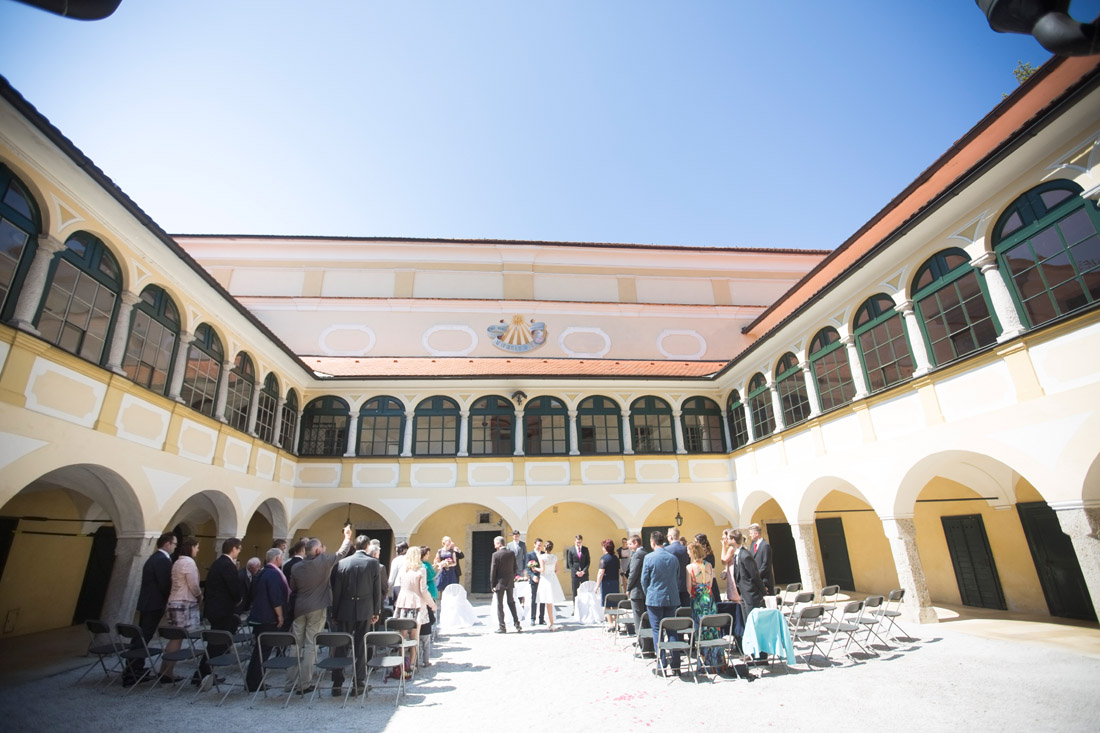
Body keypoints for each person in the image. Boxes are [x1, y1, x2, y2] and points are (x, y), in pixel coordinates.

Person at [285, 526, 353, 695]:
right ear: (316, 550)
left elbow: (293, 587)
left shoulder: (296, 567)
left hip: (299, 608)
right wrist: (346, 537)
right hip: (317, 607)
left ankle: (289, 682)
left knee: (295, 645)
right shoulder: (323, 561)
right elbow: (342, 553)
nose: (324, 549)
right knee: (310, 645)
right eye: (321, 547)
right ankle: (304, 683)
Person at [330, 535, 383, 697]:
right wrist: (376, 611)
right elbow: (376, 590)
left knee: (341, 645)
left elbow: (336, 591)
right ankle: (358, 683)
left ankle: (337, 683)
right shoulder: (373, 563)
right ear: (367, 546)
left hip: (345, 608)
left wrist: (335, 612)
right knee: (360, 645)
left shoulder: (343, 563)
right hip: (364, 609)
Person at [123, 532, 174, 685]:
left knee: (141, 635)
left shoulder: (155, 558)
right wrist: (168, 600)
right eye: (175, 544)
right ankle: (134, 670)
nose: (175, 547)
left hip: (148, 602)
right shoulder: (162, 560)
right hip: (154, 603)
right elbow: (164, 583)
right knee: (144, 636)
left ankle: (134, 667)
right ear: (167, 544)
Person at [201, 537, 242, 691]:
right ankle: (204, 673)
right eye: (239, 548)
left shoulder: (218, 563)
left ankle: (204, 672)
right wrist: (238, 599)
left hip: (214, 608)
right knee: (217, 642)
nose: (239, 551)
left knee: (215, 641)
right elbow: (233, 586)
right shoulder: (227, 565)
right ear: (233, 549)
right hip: (222, 609)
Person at [245, 547, 289, 692]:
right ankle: (255, 682)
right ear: (277, 558)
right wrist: (280, 616)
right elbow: (275, 597)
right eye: (281, 557)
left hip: (258, 616)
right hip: (267, 617)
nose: (282, 560)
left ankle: (251, 680)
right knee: (263, 651)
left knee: (258, 650)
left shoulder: (261, 573)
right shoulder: (273, 575)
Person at [159, 537, 202, 683]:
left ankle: (164, 670)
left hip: (174, 601)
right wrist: (200, 596)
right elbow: (193, 584)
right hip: (183, 602)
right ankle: (168, 672)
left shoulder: (177, 561)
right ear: (191, 548)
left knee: (174, 637)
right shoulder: (188, 562)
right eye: (196, 547)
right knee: (177, 638)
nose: (198, 550)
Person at [641, 530, 682, 676]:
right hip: (671, 597)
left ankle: (662, 664)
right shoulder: (673, 558)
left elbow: (644, 580)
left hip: (654, 598)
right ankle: (676, 665)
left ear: (652, 542)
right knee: (672, 630)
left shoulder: (649, 558)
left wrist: (649, 594)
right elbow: (677, 577)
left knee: (657, 630)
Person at [393, 546, 437, 674]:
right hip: (416, 604)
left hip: (403, 603)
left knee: (402, 635)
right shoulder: (421, 570)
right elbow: (423, 590)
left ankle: (401, 664)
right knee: (414, 637)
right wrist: (431, 604)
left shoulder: (403, 570)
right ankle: (411, 664)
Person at [686, 541, 721, 670]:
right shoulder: (709, 565)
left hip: (697, 600)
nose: (687, 553)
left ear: (693, 552)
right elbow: (710, 584)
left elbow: (689, 588)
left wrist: (695, 594)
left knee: (700, 629)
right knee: (712, 628)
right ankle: (716, 661)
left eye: (689, 551)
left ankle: (704, 661)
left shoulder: (689, 568)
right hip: (709, 599)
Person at [489, 536, 522, 633]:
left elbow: (493, 571)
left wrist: (492, 585)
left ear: (499, 544)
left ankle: (502, 626)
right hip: (510, 581)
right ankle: (517, 624)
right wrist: (512, 578)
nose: (494, 546)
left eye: (495, 544)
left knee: (500, 605)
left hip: (499, 583)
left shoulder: (495, 555)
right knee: (511, 603)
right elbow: (515, 567)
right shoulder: (511, 553)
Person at [731, 529, 766, 619]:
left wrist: (763, 592)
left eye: (728, 538)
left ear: (733, 540)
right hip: (743, 593)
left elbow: (754, 575)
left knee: (753, 620)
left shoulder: (745, 555)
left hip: (751, 594)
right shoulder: (737, 554)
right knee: (747, 620)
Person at [535, 540, 565, 631]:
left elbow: (542, 569)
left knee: (547, 600)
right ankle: (550, 621)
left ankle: (551, 622)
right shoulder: (554, 557)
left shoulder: (542, 557)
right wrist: (552, 572)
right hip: (552, 578)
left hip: (545, 579)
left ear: (544, 548)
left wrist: (534, 568)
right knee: (550, 601)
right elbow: (558, 570)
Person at [625, 534, 647, 644]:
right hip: (645, 591)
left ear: (636, 543)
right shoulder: (646, 553)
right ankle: (647, 642)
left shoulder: (637, 555)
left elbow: (633, 573)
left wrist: (628, 587)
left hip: (637, 591)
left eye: (630, 544)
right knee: (646, 619)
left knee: (639, 619)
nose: (628, 546)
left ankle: (643, 644)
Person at [665, 527, 691, 608]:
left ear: (671, 537)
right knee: (686, 610)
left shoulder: (666, 550)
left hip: (672, 584)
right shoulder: (686, 549)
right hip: (685, 583)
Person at [749, 523, 774, 595]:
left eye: (751, 533)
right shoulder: (753, 544)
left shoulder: (765, 546)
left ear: (756, 534)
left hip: (764, 580)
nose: (750, 535)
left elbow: (766, 564)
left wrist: (756, 576)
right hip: (756, 580)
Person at [525, 538, 546, 626]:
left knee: (543, 599)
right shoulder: (529, 554)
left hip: (543, 579)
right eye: (538, 545)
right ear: (534, 544)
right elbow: (527, 568)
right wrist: (532, 576)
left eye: (541, 545)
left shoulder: (544, 554)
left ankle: (541, 618)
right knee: (534, 599)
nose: (539, 547)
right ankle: (533, 618)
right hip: (534, 579)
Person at [593, 538, 619, 608]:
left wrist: (597, 585)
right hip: (615, 582)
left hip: (606, 583)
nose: (602, 549)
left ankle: (609, 619)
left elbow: (601, 572)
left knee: (606, 604)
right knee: (614, 603)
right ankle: (615, 618)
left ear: (606, 547)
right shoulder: (616, 558)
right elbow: (619, 570)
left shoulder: (604, 559)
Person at [565, 534, 590, 600]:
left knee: (585, 592)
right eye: (577, 542)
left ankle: (585, 608)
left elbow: (588, 562)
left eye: (580, 542)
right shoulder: (571, 550)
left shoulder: (585, 549)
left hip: (584, 574)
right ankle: (575, 608)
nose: (578, 543)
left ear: (582, 541)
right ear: (574, 541)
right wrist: (576, 572)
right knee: (575, 593)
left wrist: (583, 571)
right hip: (575, 575)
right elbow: (570, 563)